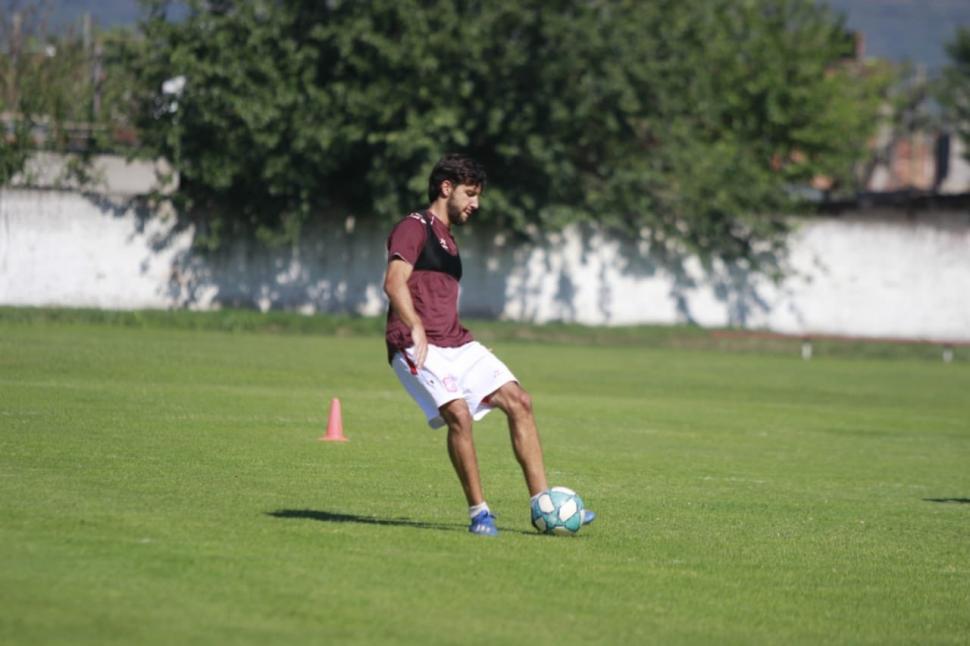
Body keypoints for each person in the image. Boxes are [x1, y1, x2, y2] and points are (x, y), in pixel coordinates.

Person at [383, 153, 595, 536]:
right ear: (446, 188)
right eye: (470, 194)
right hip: (415, 345)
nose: (475, 204)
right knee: (460, 415)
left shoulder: (449, 240)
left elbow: (439, 300)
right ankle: (480, 513)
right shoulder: (414, 227)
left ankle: (543, 504)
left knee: (520, 401)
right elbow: (394, 282)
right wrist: (414, 325)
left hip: (456, 343)